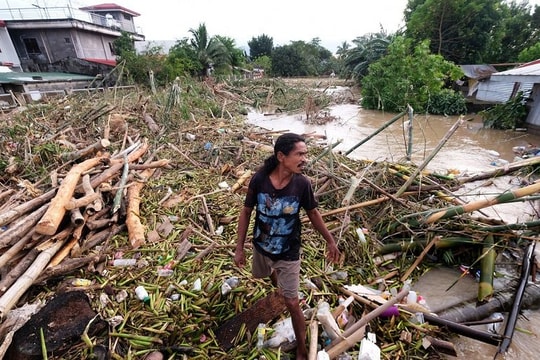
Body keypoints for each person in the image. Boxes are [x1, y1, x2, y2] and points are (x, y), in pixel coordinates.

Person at [234, 132, 341, 360]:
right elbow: (246, 212)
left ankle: (302, 349)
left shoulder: (302, 184)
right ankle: (278, 284)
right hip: (262, 246)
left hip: (289, 251)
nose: (305, 159)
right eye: (299, 154)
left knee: (292, 302)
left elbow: (313, 213)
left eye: (306, 154)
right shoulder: (260, 179)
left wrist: (330, 241)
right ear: (281, 156)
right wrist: (239, 248)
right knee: (265, 277)